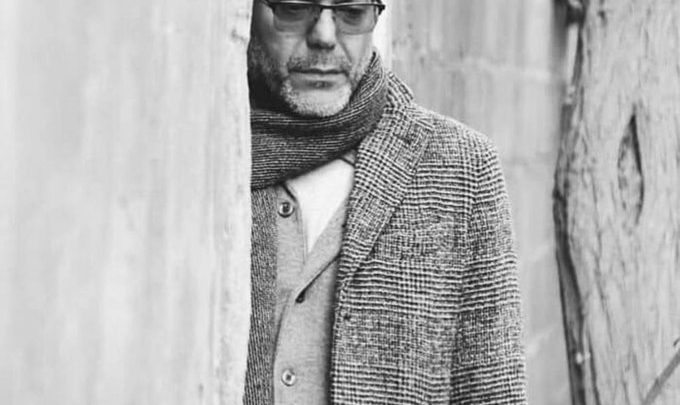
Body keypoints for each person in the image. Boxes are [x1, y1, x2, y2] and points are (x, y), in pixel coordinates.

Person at [246, 0, 528, 404]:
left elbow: (492, 392)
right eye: (294, 8)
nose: (324, 36)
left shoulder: (460, 166)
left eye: (351, 13)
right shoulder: (198, 157)